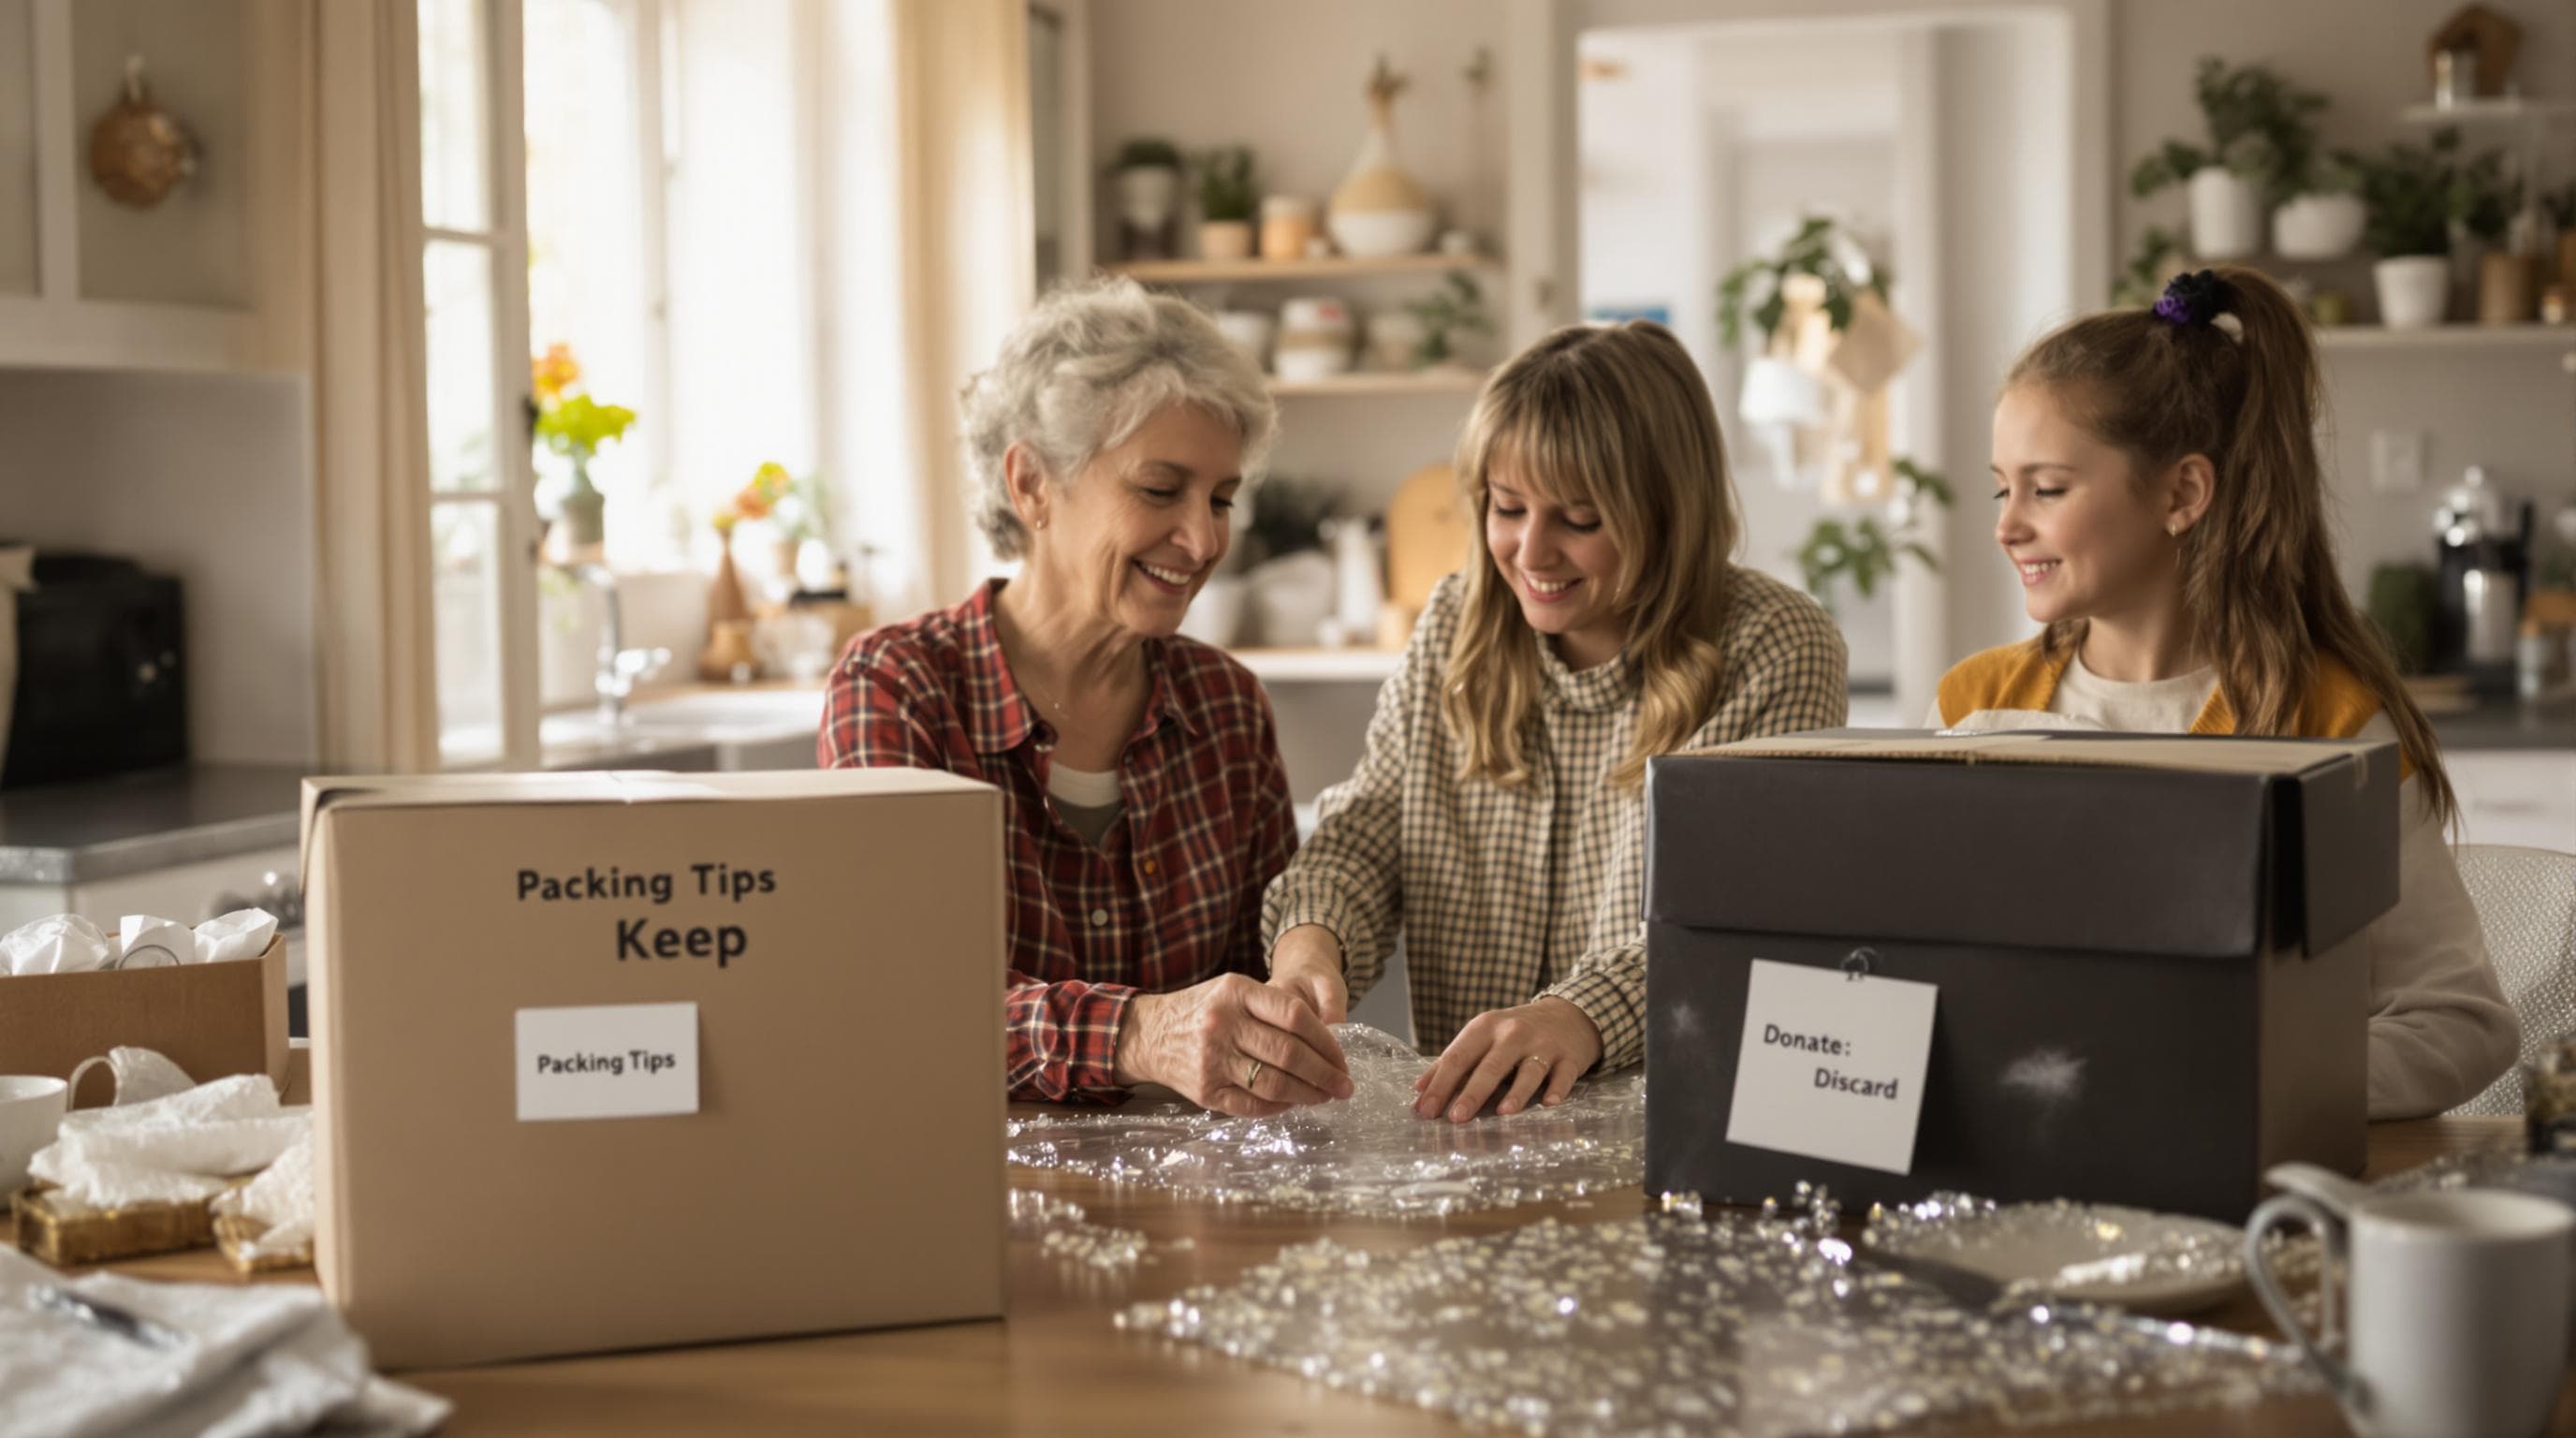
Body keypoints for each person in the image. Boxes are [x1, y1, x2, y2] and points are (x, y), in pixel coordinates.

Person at [1939, 265, 2518, 1119]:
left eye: (2047, 488)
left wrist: (2246, 1085)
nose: (2006, 523)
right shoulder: (1972, 708)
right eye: (2003, 486)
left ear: (2183, 493)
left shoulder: (2329, 723)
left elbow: (2461, 1023)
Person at [1261, 320, 1850, 1123]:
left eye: (1579, 519)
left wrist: (1579, 1017)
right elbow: (1368, 830)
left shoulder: (1773, 644)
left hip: (1682, 1128)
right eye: (1508, 507)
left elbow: (1748, 917)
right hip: (1466, 1143)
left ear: (1668, 513)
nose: (1530, 553)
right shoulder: (1453, 624)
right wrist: (1310, 946)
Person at [821, 278, 1350, 1116]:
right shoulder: (898, 688)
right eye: (1159, 489)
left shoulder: (1226, 704)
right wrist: (1140, 1035)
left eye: (1221, 499)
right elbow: (895, 1004)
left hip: (1199, 1207)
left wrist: (1293, 994)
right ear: (1031, 484)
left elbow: (1261, 976)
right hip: (966, 1191)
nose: (1205, 539)